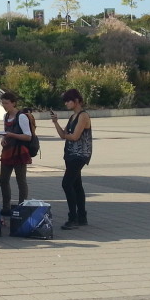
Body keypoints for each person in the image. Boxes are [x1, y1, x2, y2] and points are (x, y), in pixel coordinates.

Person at [50, 89, 92, 230]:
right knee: (77, 185)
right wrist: (55, 122)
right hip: (70, 154)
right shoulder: (73, 117)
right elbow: (63, 135)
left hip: (79, 155)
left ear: (77, 101)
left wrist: (68, 135)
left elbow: (74, 136)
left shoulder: (83, 116)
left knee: (66, 184)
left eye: (68, 100)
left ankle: (73, 218)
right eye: (65, 101)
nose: (66, 103)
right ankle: (82, 217)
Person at [0, 91, 32, 215]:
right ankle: (6, 207)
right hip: (8, 151)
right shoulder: (6, 116)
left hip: (19, 152)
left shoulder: (21, 116)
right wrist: (4, 139)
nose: (4, 105)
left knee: (21, 180)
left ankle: (22, 206)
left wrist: (11, 135)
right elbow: (7, 131)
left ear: (13, 103)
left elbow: (28, 136)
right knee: (3, 180)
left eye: (6, 103)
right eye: (3, 103)